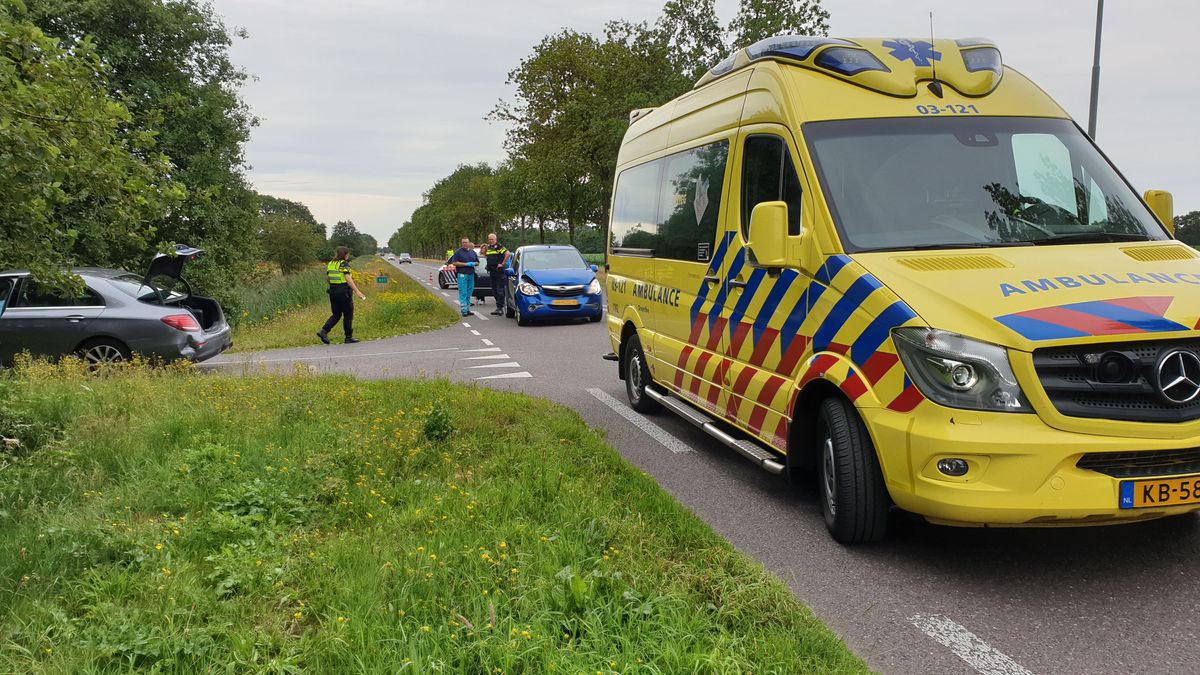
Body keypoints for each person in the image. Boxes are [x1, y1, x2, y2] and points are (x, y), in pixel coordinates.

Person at [317, 246, 366, 344]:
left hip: (333, 291)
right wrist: (357, 291)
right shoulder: (344, 264)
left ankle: (324, 331)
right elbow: (348, 278)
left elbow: (328, 278)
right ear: (346, 255)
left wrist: (334, 286)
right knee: (348, 314)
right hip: (344, 292)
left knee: (336, 314)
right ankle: (348, 337)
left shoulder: (330, 263)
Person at [448, 237, 479, 317]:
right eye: (463, 242)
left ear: (469, 243)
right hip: (462, 274)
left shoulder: (472, 252)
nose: (465, 244)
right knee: (463, 292)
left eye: (466, 242)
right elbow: (454, 262)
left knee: (469, 291)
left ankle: (468, 309)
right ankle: (464, 310)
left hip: (471, 274)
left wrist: (473, 263)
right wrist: (465, 264)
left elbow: (477, 262)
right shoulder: (458, 252)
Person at [483, 233, 511, 316]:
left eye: (492, 239)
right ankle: (498, 307)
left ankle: (500, 308)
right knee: (494, 290)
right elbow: (487, 256)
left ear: (495, 239)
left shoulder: (499, 246)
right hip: (492, 271)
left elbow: (508, 254)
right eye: (489, 239)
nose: (491, 241)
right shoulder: (489, 247)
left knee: (500, 290)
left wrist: (502, 264)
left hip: (499, 271)